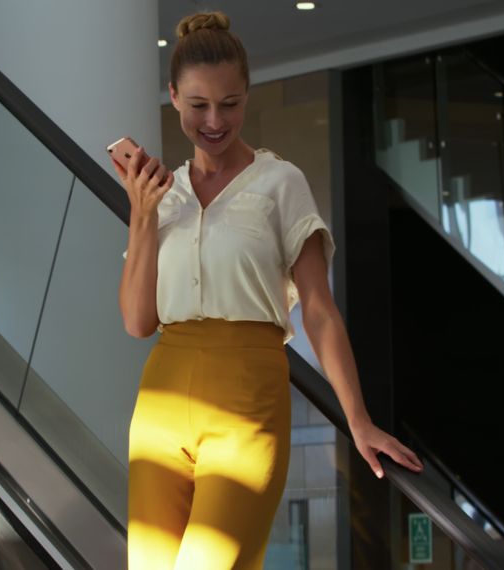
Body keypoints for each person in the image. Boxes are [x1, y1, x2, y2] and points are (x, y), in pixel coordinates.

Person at [113, 11, 424, 569]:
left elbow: (320, 312)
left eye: (230, 104)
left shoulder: (281, 184)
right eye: (198, 105)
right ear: (173, 97)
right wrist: (142, 215)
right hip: (160, 402)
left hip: (247, 402)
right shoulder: (164, 195)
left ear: (247, 96)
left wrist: (358, 418)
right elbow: (137, 323)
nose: (214, 120)